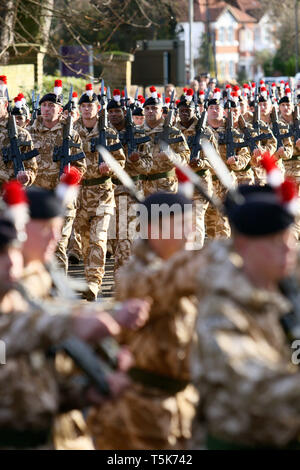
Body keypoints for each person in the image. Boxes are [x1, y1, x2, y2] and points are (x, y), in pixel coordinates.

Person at [0, 216, 136, 449]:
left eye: (12, 252)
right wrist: (71, 323)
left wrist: (85, 393)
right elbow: (13, 334)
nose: (12, 263)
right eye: (1, 255)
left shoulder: (20, 302)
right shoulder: (25, 323)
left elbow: (28, 383)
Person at [192, 179, 300, 449]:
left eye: (288, 238)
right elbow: (258, 389)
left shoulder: (286, 290)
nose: (288, 248)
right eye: (275, 241)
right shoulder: (221, 308)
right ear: (242, 246)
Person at [87, 192, 200, 450]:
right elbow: (168, 283)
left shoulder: (179, 265)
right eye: (183, 224)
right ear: (153, 229)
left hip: (184, 404)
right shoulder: (135, 275)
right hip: (140, 410)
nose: (191, 230)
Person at [72, 84, 125, 300]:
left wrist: (111, 167)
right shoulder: (72, 131)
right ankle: (89, 279)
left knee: (99, 239)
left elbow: (121, 162)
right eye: (83, 106)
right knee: (86, 242)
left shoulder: (109, 133)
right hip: (80, 195)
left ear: (98, 107)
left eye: (90, 105)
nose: (87, 109)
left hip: (103, 193)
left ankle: (94, 282)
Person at [28, 79, 86, 273]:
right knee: (35, 246)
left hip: (61, 198)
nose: (46, 109)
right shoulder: (29, 132)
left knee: (59, 245)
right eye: (44, 105)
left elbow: (81, 166)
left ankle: (59, 289)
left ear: (60, 110)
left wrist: (70, 176)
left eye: (51, 106)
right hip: (36, 198)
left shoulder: (70, 134)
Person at [129, 86, 190, 196]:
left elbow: (186, 158)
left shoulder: (173, 132)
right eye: (147, 108)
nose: (150, 111)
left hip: (166, 187)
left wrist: (171, 157)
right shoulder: (136, 133)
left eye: (154, 108)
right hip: (141, 187)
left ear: (161, 111)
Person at [176, 88, 215, 248]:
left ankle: (196, 259)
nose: (185, 113)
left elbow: (214, 161)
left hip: (200, 184)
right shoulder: (172, 131)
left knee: (196, 221)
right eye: (182, 110)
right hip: (177, 184)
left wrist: (201, 163)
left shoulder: (205, 132)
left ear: (195, 110)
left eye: (188, 110)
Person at [0, 76, 37, 187]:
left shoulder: (21, 134)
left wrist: (27, 176)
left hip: (9, 193)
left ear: (5, 104)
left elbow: (31, 166)